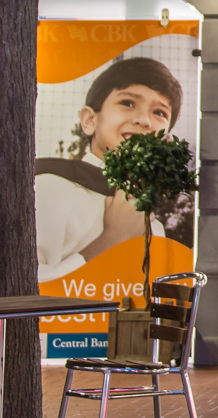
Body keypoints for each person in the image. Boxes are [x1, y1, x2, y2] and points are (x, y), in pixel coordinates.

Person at [36, 57, 189, 282]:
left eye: (159, 113)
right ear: (89, 120)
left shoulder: (153, 225)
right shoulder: (49, 189)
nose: (144, 120)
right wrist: (113, 240)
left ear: (165, 141)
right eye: (128, 103)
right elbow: (22, 295)